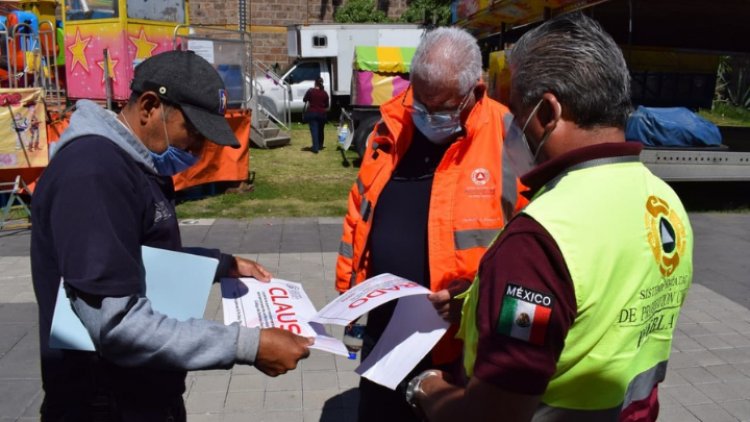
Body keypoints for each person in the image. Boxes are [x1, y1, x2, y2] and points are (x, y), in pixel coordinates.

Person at [410, 13, 694, 422]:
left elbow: (490, 414)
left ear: (547, 111)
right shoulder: (663, 201)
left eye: (516, 110)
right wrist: (476, 302)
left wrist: (426, 387)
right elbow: (596, 296)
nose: (510, 125)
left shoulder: (538, 241)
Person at [31, 50, 313, 421]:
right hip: (105, 403)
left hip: (143, 393)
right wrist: (249, 345)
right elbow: (116, 325)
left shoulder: (132, 164)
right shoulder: (93, 175)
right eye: (193, 132)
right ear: (149, 107)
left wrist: (221, 264)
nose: (197, 149)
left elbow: (133, 255)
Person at [335, 27, 523, 422]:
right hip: (385, 334)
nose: (428, 116)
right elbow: (360, 213)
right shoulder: (390, 126)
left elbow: (531, 242)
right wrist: (348, 298)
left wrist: (474, 300)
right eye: (421, 101)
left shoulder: (508, 135)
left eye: (443, 107)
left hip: (461, 344)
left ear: (476, 88)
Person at [302, 77, 329, 153]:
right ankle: (320, 145)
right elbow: (327, 105)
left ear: (315, 83)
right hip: (322, 114)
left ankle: (315, 147)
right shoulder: (325, 93)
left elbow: (304, 100)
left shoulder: (310, 91)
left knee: (314, 130)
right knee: (321, 130)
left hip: (312, 113)